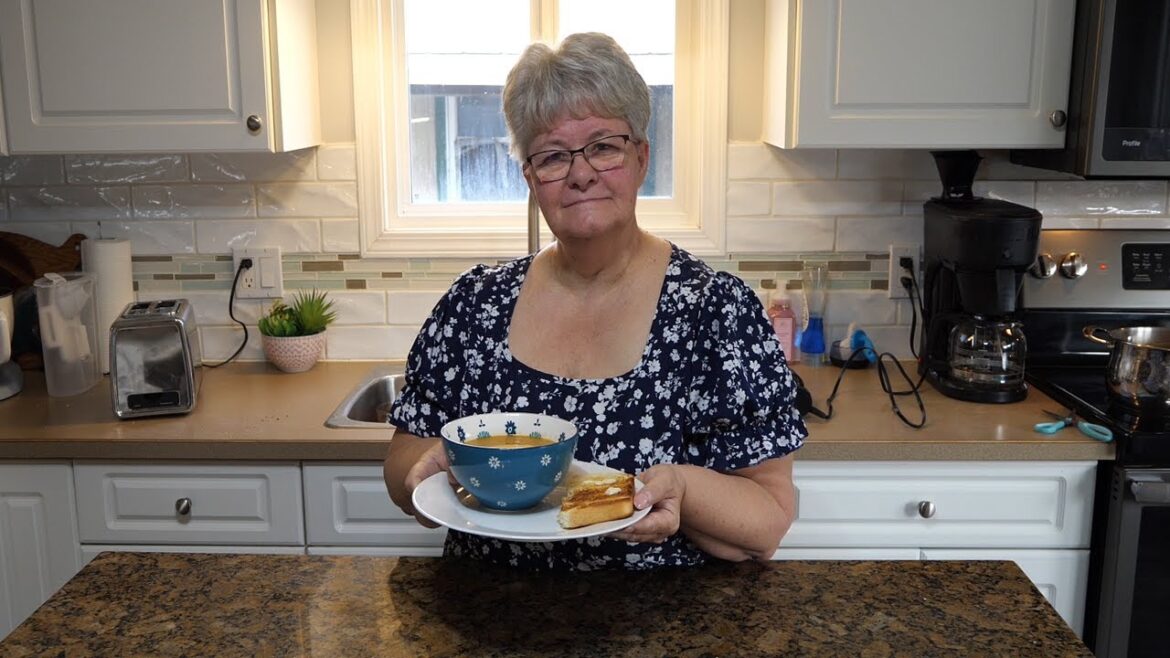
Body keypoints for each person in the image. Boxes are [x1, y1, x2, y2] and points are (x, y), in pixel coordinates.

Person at [383, 32, 806, 571]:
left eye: (604, 146)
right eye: (553, 156)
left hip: (659, 629)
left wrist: (682, 487)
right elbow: (403, 460)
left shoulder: (716, 314)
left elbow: (766, 521)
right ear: (531, 179)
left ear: (641, 157)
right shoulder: (473, 307)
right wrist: (427, 470)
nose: (581, 173)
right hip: (487, 620)